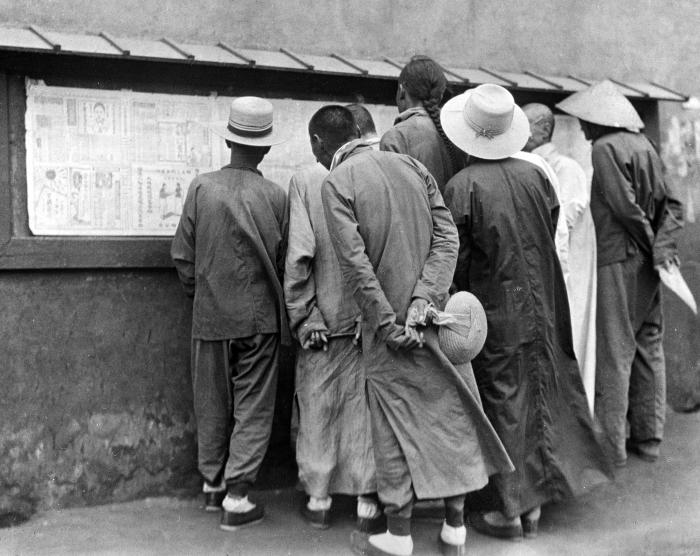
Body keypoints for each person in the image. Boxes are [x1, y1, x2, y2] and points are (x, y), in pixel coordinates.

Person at [315, 105, 513, 556]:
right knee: (453, 419)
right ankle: (455, 530)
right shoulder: (414, 166)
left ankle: (399, 534)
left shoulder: (337, 183)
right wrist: (424, 300)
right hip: (435, 323)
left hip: (390, 335)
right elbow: (448, 240)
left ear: (319, 146)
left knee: (391, 428)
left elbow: (355, 264)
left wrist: (387, 323)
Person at [441, 84, 612, 540]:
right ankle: (537, 504)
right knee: (545, 396)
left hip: (496, 306)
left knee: (504, 404)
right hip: (544, 302)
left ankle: (512, 512)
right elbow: (552, 226)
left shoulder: (462, 187)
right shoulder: (536, 174)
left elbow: (455, 260)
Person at [171, 96, 289, 531]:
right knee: (253, 407)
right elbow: (284, 262)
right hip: (260, 319)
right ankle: (237, 497)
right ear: (266, 148)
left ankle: (212, 487)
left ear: (229, 141)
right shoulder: (276, 195)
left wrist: (201, 295)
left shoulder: (201, 187)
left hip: (210, 315)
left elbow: (183, 256)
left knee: (211, 402)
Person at [556, 80, 684, 465]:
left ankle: (611, 448)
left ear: (600, 121)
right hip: (650, 263)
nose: (582, 128)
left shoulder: (605, 149)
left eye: (585, 121)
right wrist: (660, 249)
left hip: (620, 258)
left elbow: (624, 206)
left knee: (614, 351)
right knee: (649, 343)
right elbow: (673, 204)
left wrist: (646, 241)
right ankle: (649, 437)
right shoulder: (646, 146)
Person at [284, 106, 381, 533]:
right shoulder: (375, 175)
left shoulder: (306, 180)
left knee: (318, 404)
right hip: (365, 321)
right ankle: (366, 503)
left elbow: (299, 255)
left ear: (319, 143)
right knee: (363, 410)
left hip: (323, 319)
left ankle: (319, 500)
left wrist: (305, 316)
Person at [522, 103, 597, 416]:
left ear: (542, 128)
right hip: (551, 272)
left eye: (525, 126)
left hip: (569, 274)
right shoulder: (534, 165)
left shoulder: (566, 168)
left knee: (573, 344)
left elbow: (560, 227)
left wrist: (556, 277)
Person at [380, 55, 463, 192]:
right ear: (441, 95)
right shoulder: (458, 132)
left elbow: (394, 198)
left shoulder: (396, 137)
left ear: (401, 90)